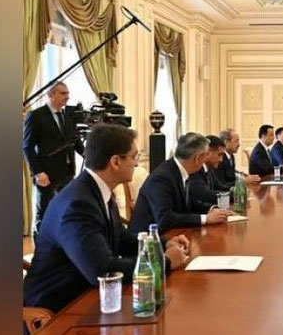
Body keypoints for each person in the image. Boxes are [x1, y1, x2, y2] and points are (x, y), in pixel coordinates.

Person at [23, 124, 189, 314]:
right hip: (55, 310)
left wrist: (161, 244)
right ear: (115, 161)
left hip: (87, 296)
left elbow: (121, 239)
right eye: (134, 157)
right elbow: (102, 270)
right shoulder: (78, 204)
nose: (136, 163)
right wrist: (163, 262)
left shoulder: (96, 189)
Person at [129, 133, 232, 235]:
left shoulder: (180, 170)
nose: (205, 160)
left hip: (173, 235)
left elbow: (191, 202)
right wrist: (206, 218)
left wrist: (213, 209)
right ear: (197, 158)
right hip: (148, 240)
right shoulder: (162, 177)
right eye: (205, 156)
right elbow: (165, 219)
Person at [22, 82, 85, 234]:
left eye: (68, 93)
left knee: (65, 212)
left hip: (67, 172)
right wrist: (38, 172)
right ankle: (40, 248)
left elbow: (75, 141)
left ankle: (59, 245)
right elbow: (27, 146)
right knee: (44, 214)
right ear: (51, 95)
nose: (67, 97)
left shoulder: (67, 115)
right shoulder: (36, 116)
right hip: (46, 174)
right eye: (63, 93)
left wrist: (90, 156)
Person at [187, 135, 228, 211]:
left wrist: (236, 190)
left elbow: (221, 187)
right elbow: (206, 195)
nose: (221, 160)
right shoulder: (195, 170)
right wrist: (234, 195)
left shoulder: (209, 169)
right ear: (208, 152)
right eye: (219, 154)